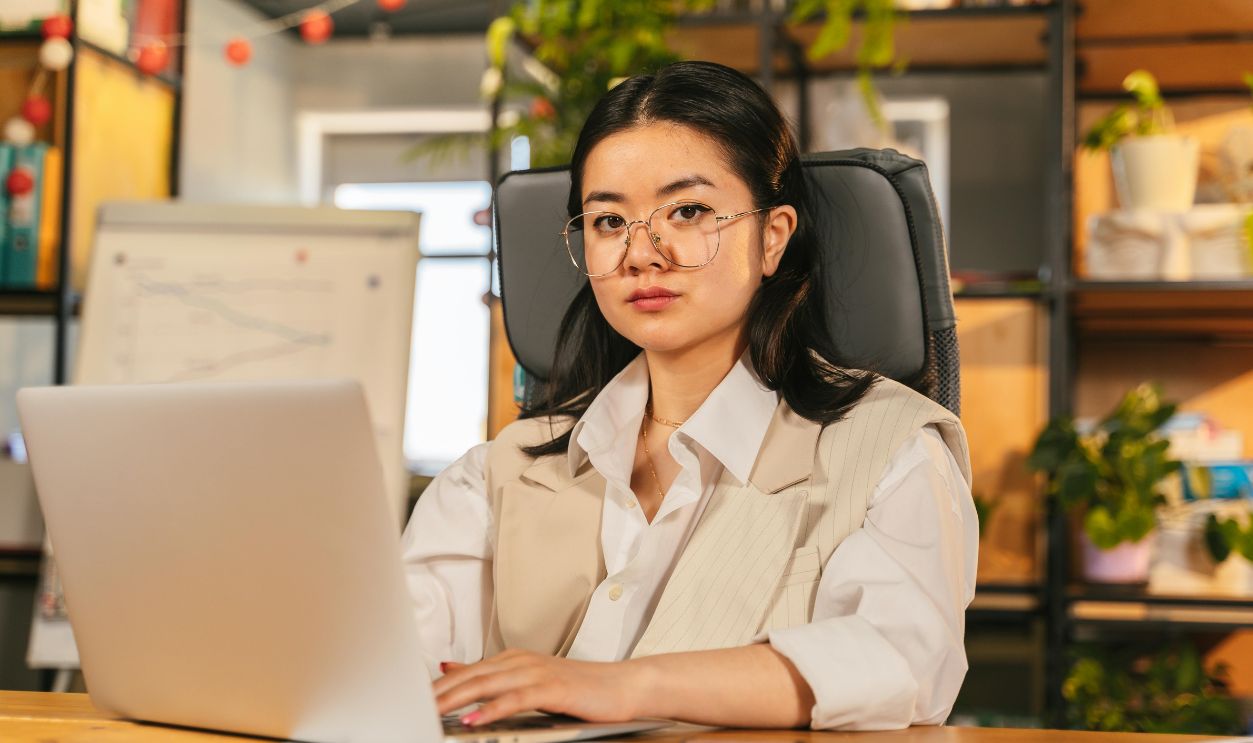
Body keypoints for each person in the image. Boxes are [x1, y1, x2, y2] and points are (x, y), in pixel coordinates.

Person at [400, 60, 976, 731]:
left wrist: (621, 686)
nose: (641, 253)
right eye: (608, 220)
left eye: (688, 211)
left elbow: (903, 662)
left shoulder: (893, 450)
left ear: (772, 237)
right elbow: (388, 660)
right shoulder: (497, 471)